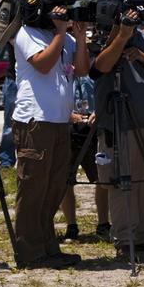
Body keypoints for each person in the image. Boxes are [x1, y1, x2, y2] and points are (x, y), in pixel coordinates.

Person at [11, 3, 91, 268]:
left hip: (59, 121)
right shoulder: (28, 32)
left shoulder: (66, 38)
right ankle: (29, 252)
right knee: (33, 187)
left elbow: (81, 70)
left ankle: (47, 246)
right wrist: (58, 33)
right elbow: (43, 65)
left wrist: (78, 38)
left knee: (54, 186)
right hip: (35, 121)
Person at [90, 9, 144, 250]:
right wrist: (121, 36)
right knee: (120, 181)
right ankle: (125, 239)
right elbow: (99, 67)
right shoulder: (102, 38)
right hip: (118, 123)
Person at [60, 73, 99, 240]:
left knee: (101, 178)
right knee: (65, 180)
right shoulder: (62, 61)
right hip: (68, 125)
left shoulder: (96, 62)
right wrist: (66, 114)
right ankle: (71, 225)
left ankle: (104, 223)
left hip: (94, 126)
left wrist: (99, 111)